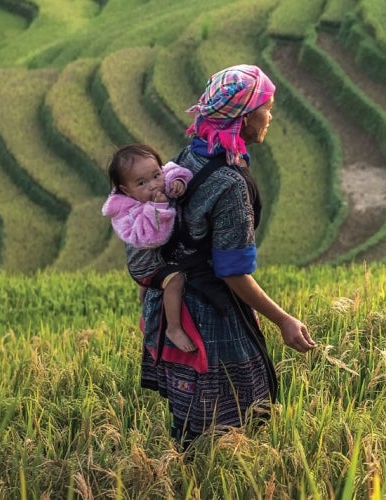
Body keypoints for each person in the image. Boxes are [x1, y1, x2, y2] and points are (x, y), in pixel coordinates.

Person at [136, 64, 317, 447]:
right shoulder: (230, 184)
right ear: (246, 117)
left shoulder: (190, 155)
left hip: (172, 303)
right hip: (208, 313)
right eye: (266, 108)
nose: (271, 116)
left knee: (190, 419)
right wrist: (284, 320)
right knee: (237, 415)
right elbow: (233, 272)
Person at [101, 144, 198, 354]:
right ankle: (174, 328)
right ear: (127, 190)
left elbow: (172, 170)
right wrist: (159, 209)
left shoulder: (160, 180)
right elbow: (154, 239)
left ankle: (146, 295)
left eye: (156, 175)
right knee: (176, 279)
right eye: (142, 183)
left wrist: (179, 181)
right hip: (145, 264)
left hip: (155, 256)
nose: (154, 185)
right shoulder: (125, 211)